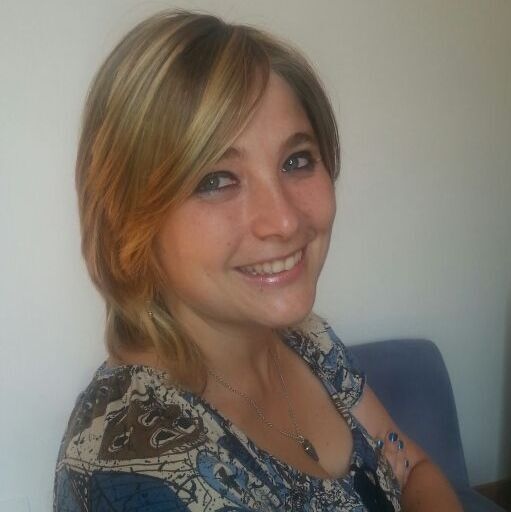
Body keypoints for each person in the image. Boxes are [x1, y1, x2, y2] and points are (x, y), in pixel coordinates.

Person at [54, 10, 462, 511]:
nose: (285, 222)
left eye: (296, 160)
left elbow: (414, 466)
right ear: (129, 222)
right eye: (216, 180)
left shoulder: (307, 338)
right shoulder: (130, 473)